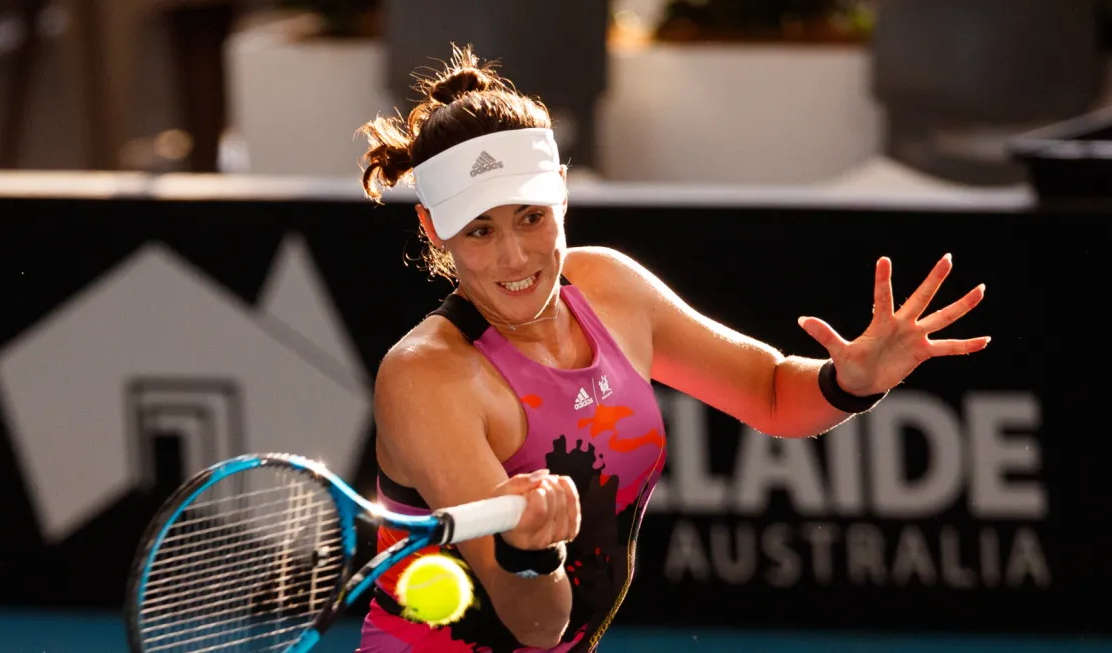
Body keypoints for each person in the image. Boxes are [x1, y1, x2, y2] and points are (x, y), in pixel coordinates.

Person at [355, 45, 990, 653]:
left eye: (531, 217)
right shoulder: (426, 379)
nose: (515, 257)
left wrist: (847, 382)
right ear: (432, 227)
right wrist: (530, 551)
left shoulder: (610, 287)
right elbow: (538, 625)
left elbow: (771, 393)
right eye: (480, 230)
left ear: (562, 191)